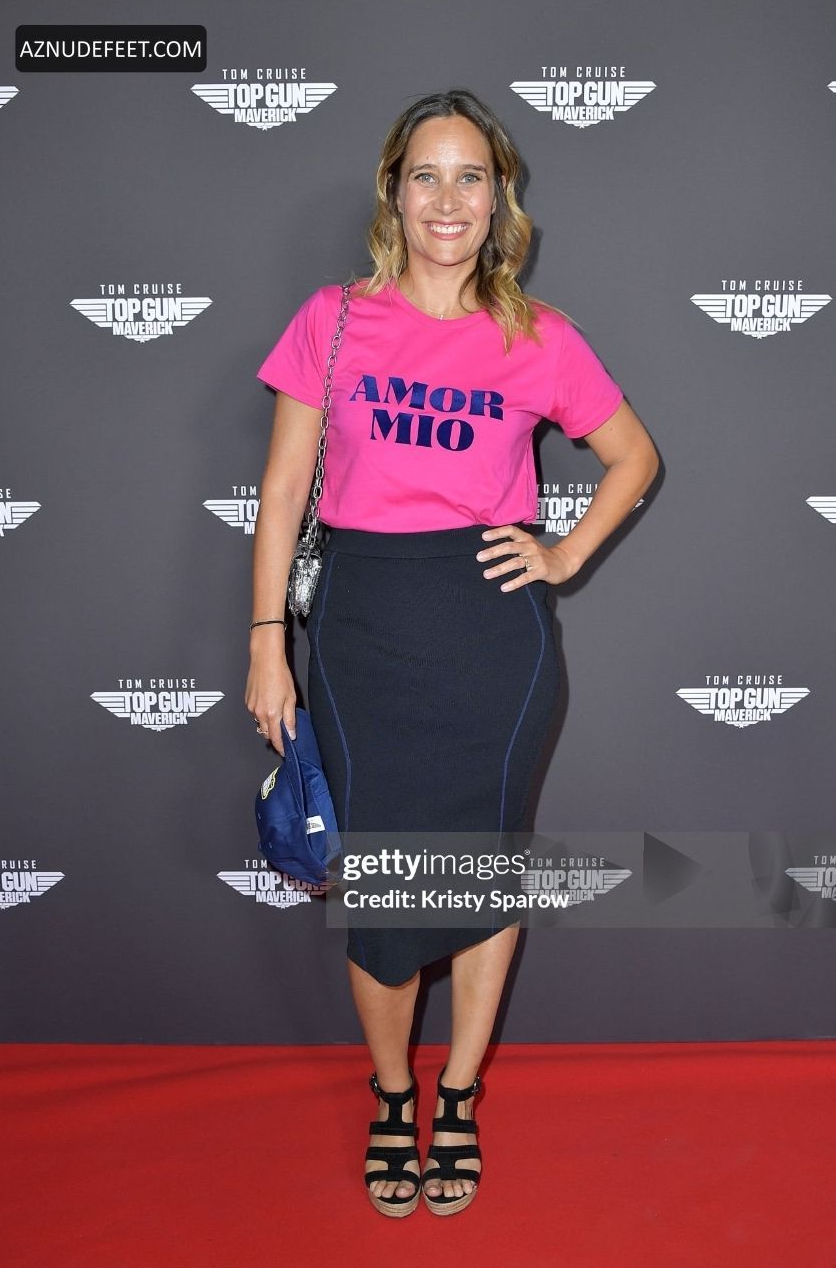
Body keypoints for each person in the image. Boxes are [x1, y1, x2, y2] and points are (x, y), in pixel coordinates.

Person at [245, 88, 659, 1218]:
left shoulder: (540, 335)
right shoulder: (332, 320)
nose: (446, 198)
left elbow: (632, 456)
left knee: (480, 870)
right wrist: (268, 639)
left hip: (491, 639)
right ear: (392, 191)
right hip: (360, 631)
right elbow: (280, 494)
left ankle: (461, 1093)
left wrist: (562, 553)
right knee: (383, 885)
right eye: (424, 174)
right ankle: (393, 1094)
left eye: (469, 176)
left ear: (497, 196)